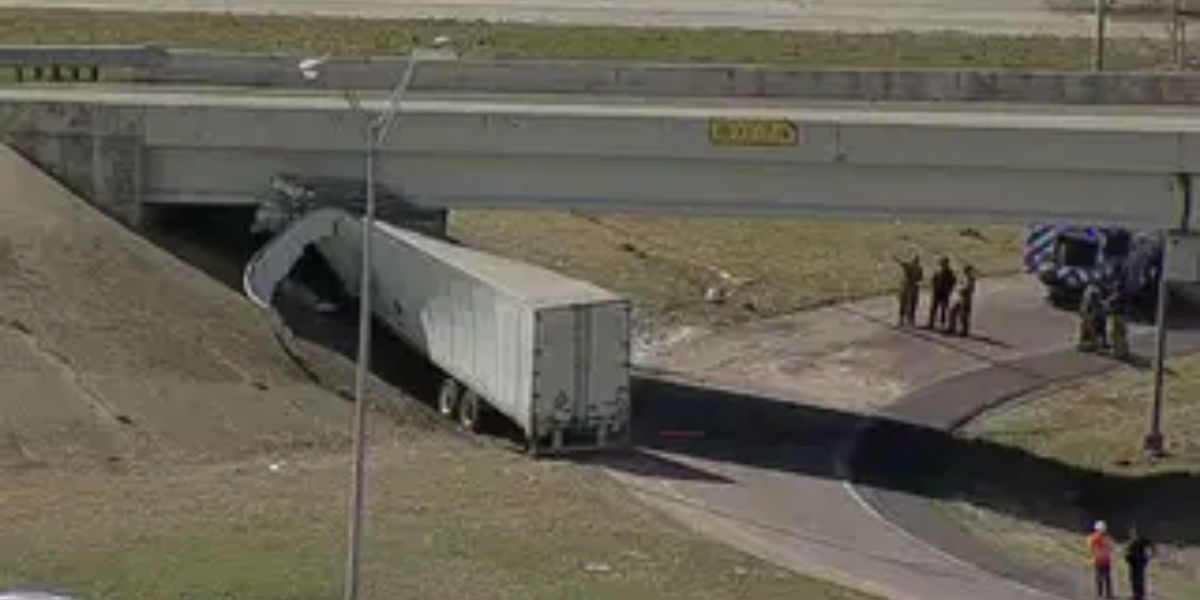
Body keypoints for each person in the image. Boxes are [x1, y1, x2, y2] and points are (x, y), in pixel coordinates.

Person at [1125, 524, 1154, 600]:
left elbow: (1150, 544)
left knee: (1138, 578)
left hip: (1139, 562)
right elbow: (1128, 552)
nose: (1131, 534)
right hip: (1133, 562)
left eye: (1133, 533)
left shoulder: (1140, 540)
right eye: (1131, 533)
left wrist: (1149, 555)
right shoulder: (1131, 542)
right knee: (1133, 578)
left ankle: (1140, 594)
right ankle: (1135, 594)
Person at [892, 254, 923, 327]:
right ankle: (908, 320)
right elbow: (920, 278)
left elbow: (901, 263)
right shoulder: (918, 268)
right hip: (912, 288)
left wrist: (895, 258)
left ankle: (905, 319)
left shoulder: (911, 266)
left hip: (908, 287)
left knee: (907, 303)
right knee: (910, 304)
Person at [928, 256, 957, 330]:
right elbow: (933, 280)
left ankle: (942, 324)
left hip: (944, 293)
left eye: (944, 263)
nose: (943, 264)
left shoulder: (949, 272)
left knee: (943, 309)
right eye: (942, 263)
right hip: (937, 292)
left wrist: (949, 289)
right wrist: (934, 287)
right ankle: (931, 323)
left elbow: (953, 281)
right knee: (934, 308)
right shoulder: (938, 271)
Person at [1088, 520, 1115, 599]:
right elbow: (1111, 547)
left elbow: (1110, 547)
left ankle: (1103, 594)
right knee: (1104, 578)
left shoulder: (1097, 537)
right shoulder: (1100, 537)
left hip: (1102, 559)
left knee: (1103, 578)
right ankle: (1105, 594)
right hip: (1102, 559)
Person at [947, 264, 976, 337]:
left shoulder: (971, 279)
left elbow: (970, 289)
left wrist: (961, 289)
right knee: (952, 312)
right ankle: (952, 328)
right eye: (965, 270)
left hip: (965, 299)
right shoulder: (962, 277)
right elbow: (957, 285)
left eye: (968, 270)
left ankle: (964, 331)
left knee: (963, 316)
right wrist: (957, 289)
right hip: (958, 297)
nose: (966, 272)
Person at [1078, 281, 1107, 352]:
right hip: (1090, 312)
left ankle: (1096, 343)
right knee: (1091, 327)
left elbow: (1088, 304)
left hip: (1090, 311)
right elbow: (1092, 304)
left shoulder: (1090, 290)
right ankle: (1095, 344)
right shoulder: (1093, 292)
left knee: (1093, 327)